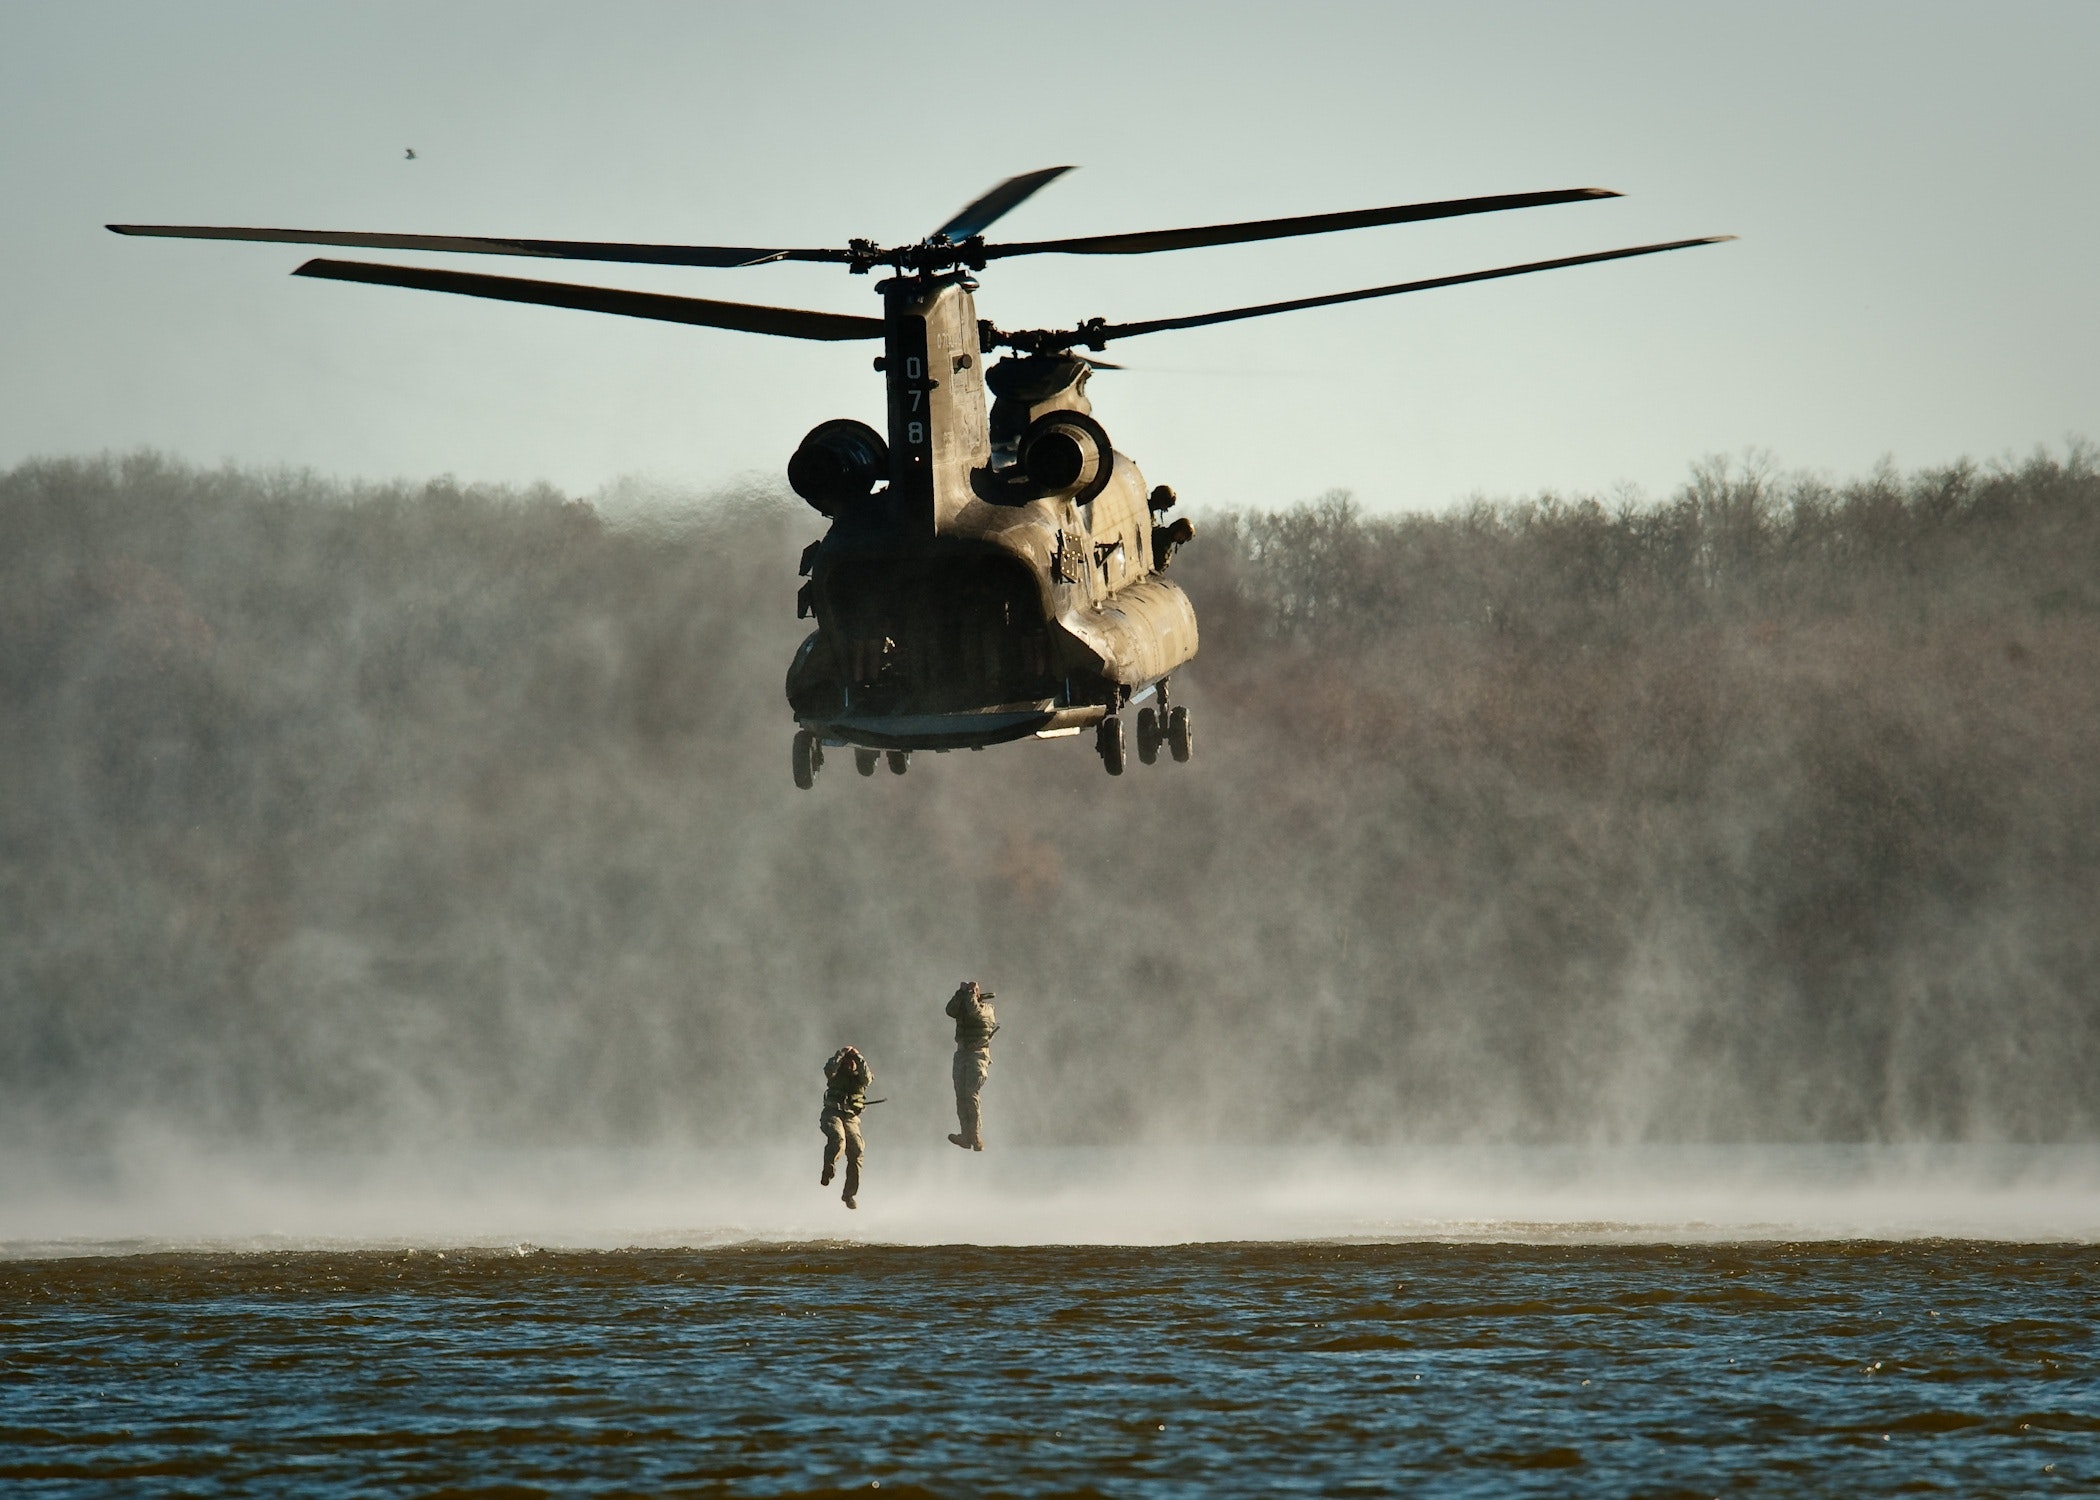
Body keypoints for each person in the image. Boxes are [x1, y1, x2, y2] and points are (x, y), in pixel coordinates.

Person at [945, 980, 998, 1150]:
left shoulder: (987, 1009)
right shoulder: (963, 1008)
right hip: (962, 1054)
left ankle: (974, 1135)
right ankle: (965, 1136)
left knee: (970, 1092)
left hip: (978, 1056)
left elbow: (975, 1011)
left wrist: (969, 994)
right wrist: (959, 994)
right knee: (961, 1095)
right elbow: (950, 1010)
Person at [819, 1045, 872, 1209]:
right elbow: (829, 1069)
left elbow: (867, 1076)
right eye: (846, 1062)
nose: (850, 1064)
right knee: (838, 1139)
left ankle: (849, 1195)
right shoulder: (835, 1076)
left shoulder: (861, 1078)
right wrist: (841, 1053)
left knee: (857, 1151)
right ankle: (828, 1169)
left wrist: (857, 1055)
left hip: (851, 1117)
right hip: (832, 1113)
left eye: (852, 1062)